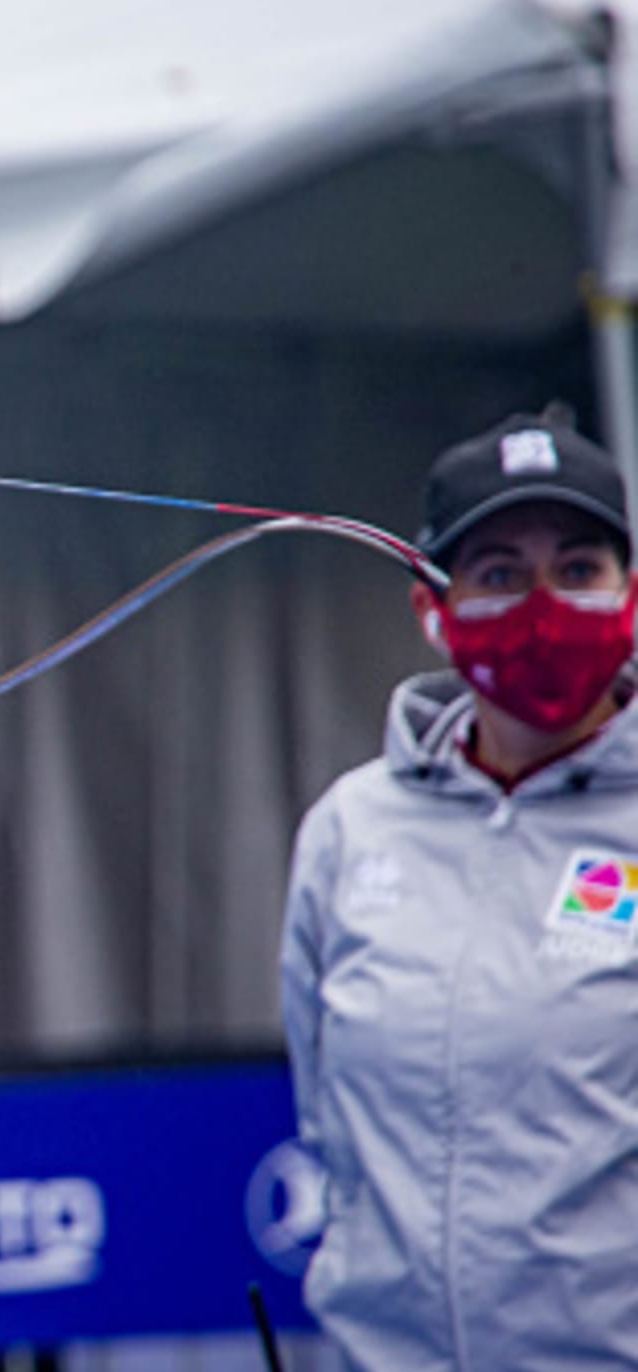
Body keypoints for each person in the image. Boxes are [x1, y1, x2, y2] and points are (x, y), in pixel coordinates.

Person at [280, 406, 638, 1369]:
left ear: (630, 595)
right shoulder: (351, 833)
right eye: (498, 573)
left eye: (577, 569)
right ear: (431, 609)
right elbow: (329, 1129)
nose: (542, 602)